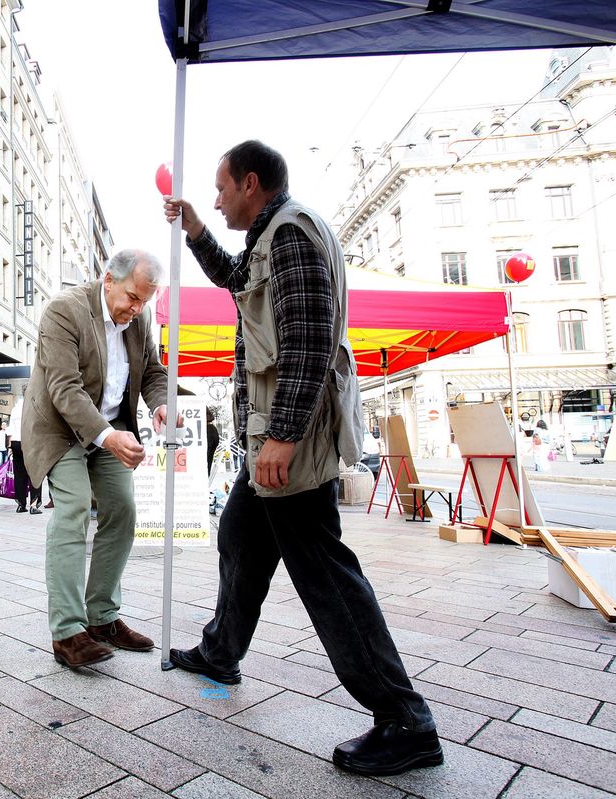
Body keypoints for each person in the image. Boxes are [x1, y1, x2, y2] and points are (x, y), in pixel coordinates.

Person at [163, 140, 441, 777]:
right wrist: (198, 231)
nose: (215, 198)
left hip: (289, 438)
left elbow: (310, 342)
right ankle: (221, 650)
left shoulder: (290, 237)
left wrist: (284, 437)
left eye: (220, 190)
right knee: (239, 534)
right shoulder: (271, 237)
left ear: (251, 183)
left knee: (324, 574)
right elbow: (235, 280)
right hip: (271, 436)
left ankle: (404, 718)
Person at [21, 249, 173, 670]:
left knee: (122, 510)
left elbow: (154, 372)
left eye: (145, 301)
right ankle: (68, 631)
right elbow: (64, 389)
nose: (136, 309)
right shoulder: (64, 312)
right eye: (131, 297)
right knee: (72, 508)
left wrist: (161, 403)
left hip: (110, 424)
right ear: (108, 280)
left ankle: (102, 617)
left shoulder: (138, 319)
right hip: (59, 427)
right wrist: (107, 437)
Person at [8, 395, 42, 514]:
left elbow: (10, 430)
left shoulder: (15, 408)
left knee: (19, 474)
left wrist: (10, 446)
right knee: (35, 473)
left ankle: (21, 504)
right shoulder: (34, 405)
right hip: (31, 441)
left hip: (16, 442)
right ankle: (33, 505)